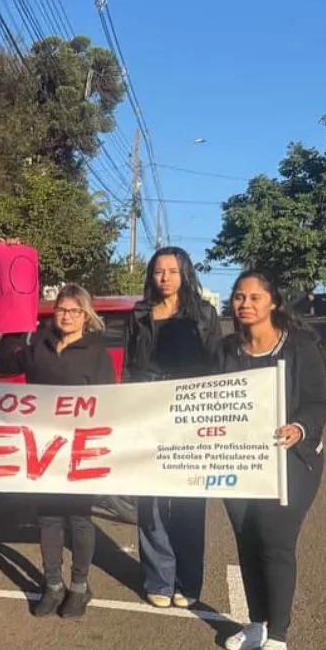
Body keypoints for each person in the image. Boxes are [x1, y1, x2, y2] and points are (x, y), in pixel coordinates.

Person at [218, 271, 326, 650]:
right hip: (240, 458)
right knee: (247, 537)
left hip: (292, 458)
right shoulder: (228, 349)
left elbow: (318, 403)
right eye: (238, 297)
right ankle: (256, 623)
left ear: (272, 303)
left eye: (254, 297)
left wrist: (298, 428)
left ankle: (278, 637)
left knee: (275, 539)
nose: (245, 304)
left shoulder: (300, 347)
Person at [0, 285, 115, 619]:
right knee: (48, 517)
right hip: (44, 449)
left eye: (76, 311)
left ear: (86, 316)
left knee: (78, 518)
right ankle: (52, 585)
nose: (68, 316)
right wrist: (16, 322)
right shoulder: (38, 346)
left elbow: (109, 403)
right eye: (62, 309)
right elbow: (5, 362)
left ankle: (79, 587)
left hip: (80, 451)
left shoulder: (96, 353)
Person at [125, 247, 222, 609]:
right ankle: (159, 579)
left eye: (172, 271)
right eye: (158, 271)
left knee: (188, 499)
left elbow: (217, 367)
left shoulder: (204, 314)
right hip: (148, 410)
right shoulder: (139, 314)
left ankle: (188, 581)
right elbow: (131, 365)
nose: (164, 277)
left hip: (191, 415)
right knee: (149, 502)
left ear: (185, 274)